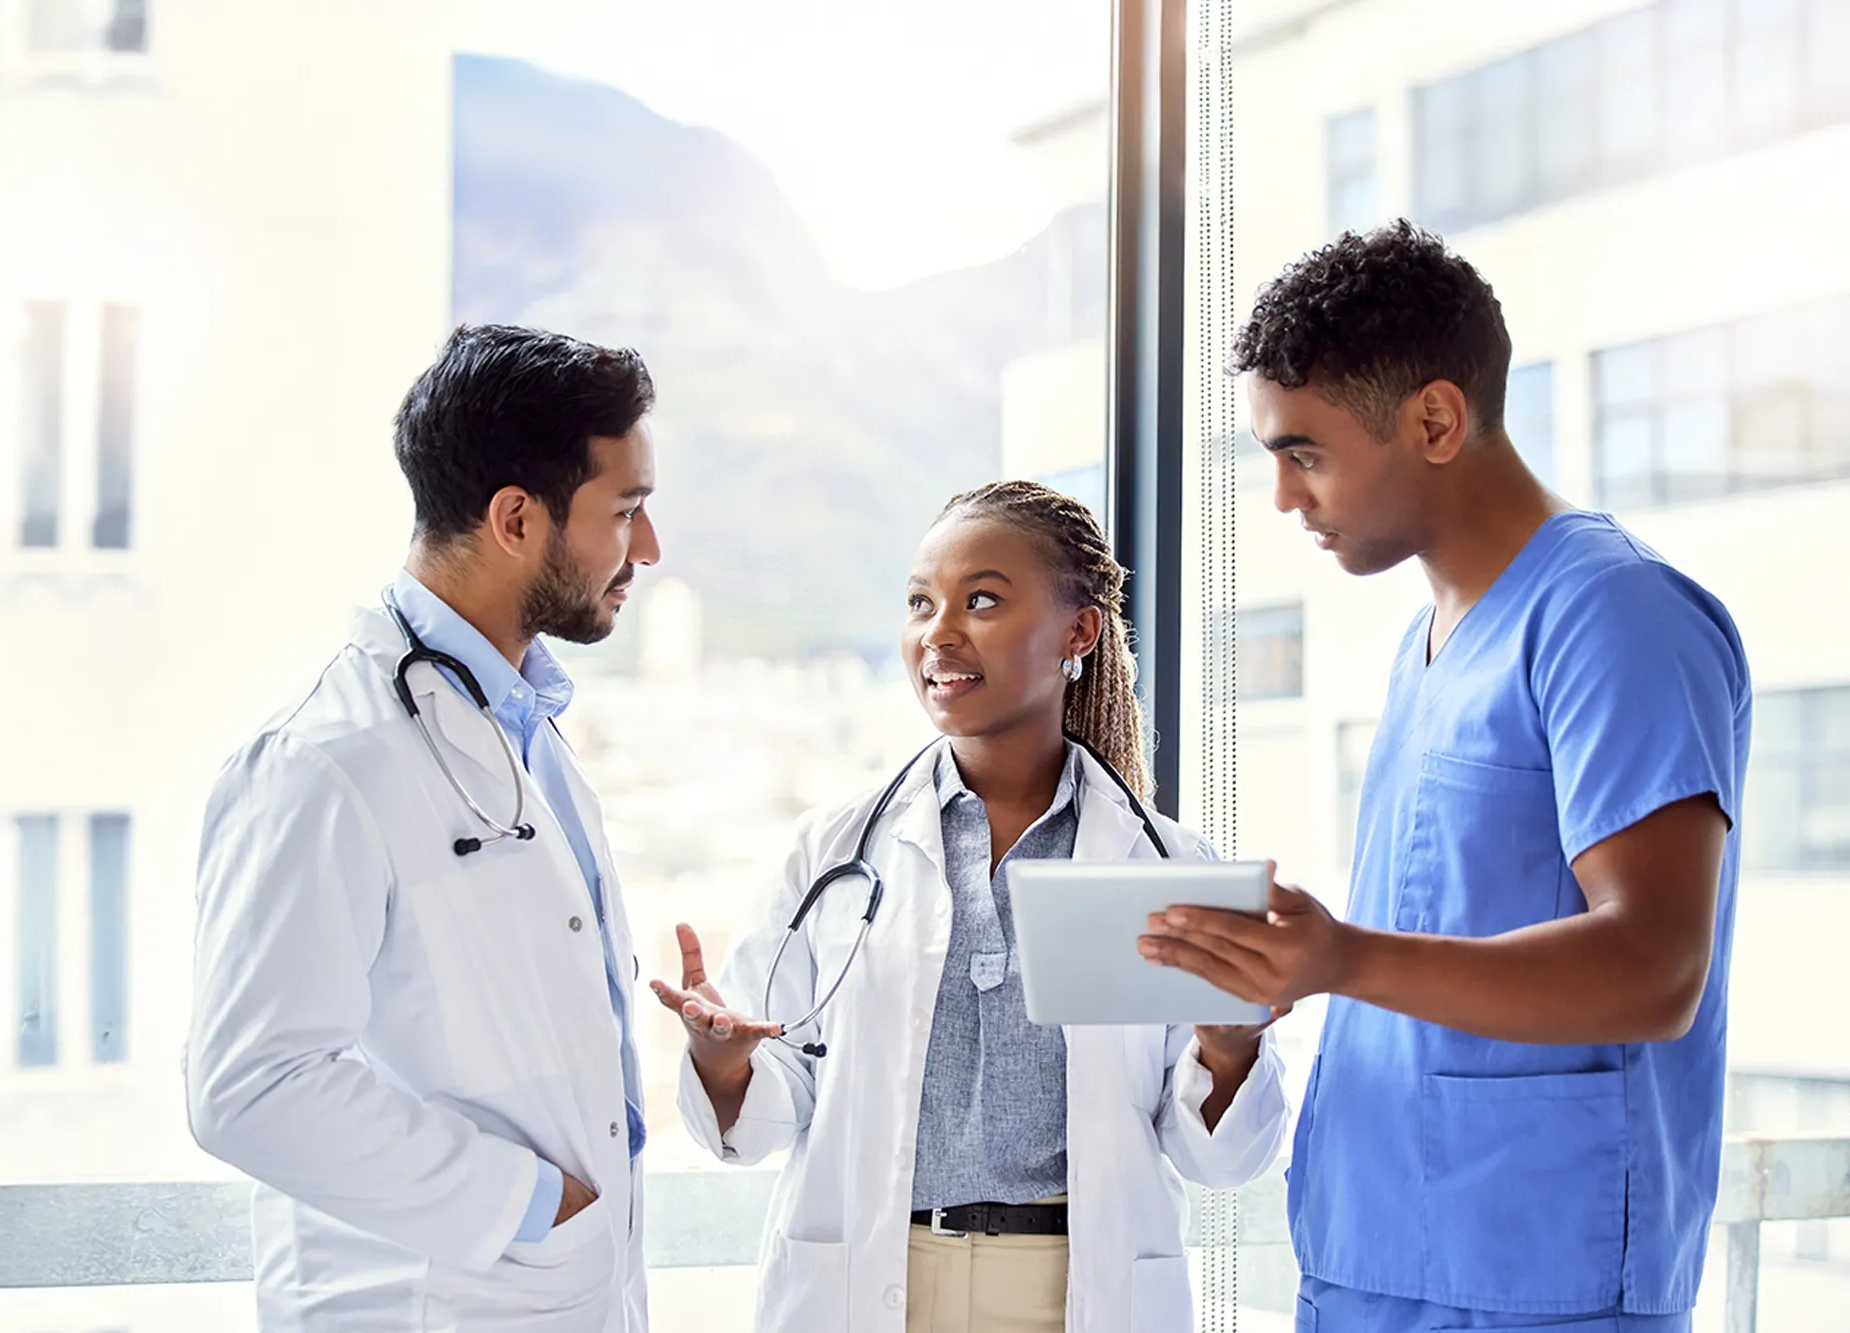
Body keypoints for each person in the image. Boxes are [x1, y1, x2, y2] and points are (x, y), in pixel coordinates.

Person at [1138, 222, 1752, 1332]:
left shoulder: (1612, 616)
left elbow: (1656, 966)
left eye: (1304, 453)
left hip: (1531, 1279)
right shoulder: (1429, 642)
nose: (1282, 498)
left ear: (1432, 419)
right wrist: (1272, 969)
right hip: (1373, 1254)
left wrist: (1341, 956)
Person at [653, 481, 1289, 1333]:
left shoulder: (1168, 865)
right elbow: (774, 1105)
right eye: (921, 603)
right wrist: (724, 1059)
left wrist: (1231, 1046)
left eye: (982, 599)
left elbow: (1218, 1157)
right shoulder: (834, 850)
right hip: (875, 1285)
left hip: (1073, 1292)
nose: (939, 632)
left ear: (1080, 631)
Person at [185, 325, 663, 1333]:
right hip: (423, 1303)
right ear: (516, 519)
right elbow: (250, 1086)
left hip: (559, 1291)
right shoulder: (326, 759)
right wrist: (533, 1204)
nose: (647, 550)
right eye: (625, 511)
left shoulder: (519, 729)